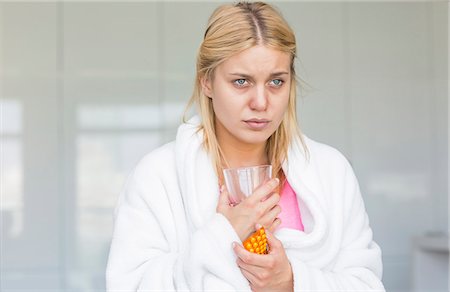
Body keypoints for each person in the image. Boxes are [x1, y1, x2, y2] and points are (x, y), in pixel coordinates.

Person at [106, 1, 385, 291]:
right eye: (241, 81)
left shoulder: (331, 171)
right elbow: (132, 285)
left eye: (276, 82)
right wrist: (224, 233)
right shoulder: (158, 177)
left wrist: (289, 281)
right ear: (207, 82)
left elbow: (366, 284)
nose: (261, 102)